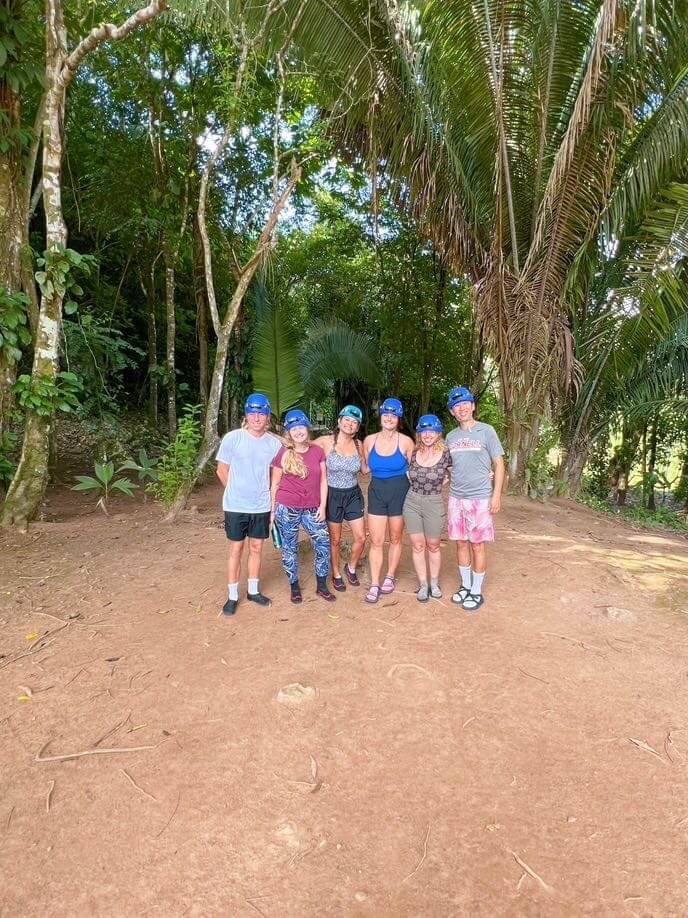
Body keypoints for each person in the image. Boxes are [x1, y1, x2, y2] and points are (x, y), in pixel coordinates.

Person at [216, 392, 282, 616]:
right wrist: (234, 491)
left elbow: (276, 474)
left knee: (256, 548)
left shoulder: (273, 444)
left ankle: (253, 590)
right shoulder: (233, 438)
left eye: (261, 413)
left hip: (261, 506)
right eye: (253, 413)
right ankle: (233, 595)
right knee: (236, 549)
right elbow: (221, 469)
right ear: (246, 414)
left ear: (267, 417)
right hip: (235, 506)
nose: (257, 417)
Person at [445, 386, 505, 611]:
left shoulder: (486, 431)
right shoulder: (451, 437)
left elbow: (499, 464)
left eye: (465, 404)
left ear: (472, 406)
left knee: (477, 544)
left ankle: (476, 591)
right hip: (456, 498)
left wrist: (496, 494)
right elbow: (450, 467)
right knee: (460, 542)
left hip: (480, 498)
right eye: (456, 406)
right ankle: (465, 585)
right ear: (452, 411)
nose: (461, 408)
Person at [270, 409, 336, 604]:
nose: (299, 431)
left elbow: (324, 480)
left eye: (301, 427)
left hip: (312, 507)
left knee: (323, 544)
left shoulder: (317, 451)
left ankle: (322, 586)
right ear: (289, 432)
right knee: (289, 548)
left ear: (307, 428)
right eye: (294, 428)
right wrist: (272, 511)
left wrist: (322, 506)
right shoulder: (283, 453)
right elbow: (275, 484)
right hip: (287, 507)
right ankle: (294, 586)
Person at [362, 397, 415, 603]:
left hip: (400, 492)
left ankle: (390, 576)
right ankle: (375, 583)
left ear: (398, 418)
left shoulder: (406, 442)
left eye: (393, 415)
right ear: (381, 416)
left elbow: (416, 469)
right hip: (376, 491)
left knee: (395, 538)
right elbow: (365, 468)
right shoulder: (369, 441)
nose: (389, 418)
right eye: (386, 415)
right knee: (376, 540)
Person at [314, 405, 367, 591]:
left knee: (361, 537)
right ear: (339, 421)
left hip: (353, 494)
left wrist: (391, 463)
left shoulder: (359, 445)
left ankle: (350, 567)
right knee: (334, 540)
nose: (350, 424)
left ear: (357, 427)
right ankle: (336, 573)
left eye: (354, 422)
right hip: (332, 495)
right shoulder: (326, 441)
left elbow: (365, 470)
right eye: (347, 420)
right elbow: (302, 447)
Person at [403, 414, 452, 602]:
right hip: (412, 501)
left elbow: (462, 470)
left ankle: (434, 582)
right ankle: (423, 584)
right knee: (417, 545)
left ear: (438, 433)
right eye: (424, 431)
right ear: (419, 433)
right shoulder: (413, 453)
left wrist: (484, 473)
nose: (428, 435)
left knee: (433, 545)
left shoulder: (447, 454)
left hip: (434, 502)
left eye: (432, 431)